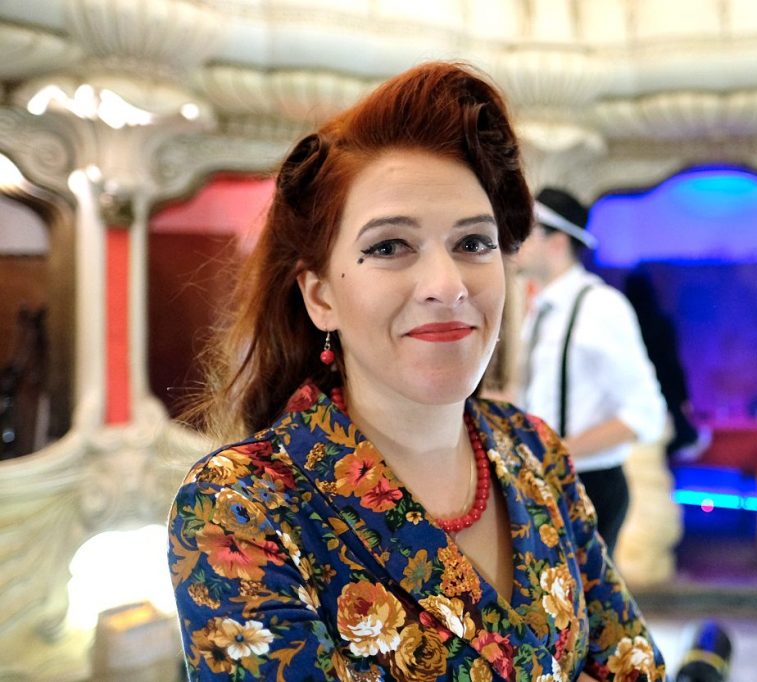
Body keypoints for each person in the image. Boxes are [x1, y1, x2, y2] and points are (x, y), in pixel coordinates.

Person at [166, 63, 666, 681]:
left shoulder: (534, 450)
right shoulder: (242, 504)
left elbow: (634, 663)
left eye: (473, 243)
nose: (447, 285)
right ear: (320, 297)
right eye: (389, 247)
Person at [515, 188, 667, 556]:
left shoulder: (600, 307)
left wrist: (559, 453)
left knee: (583, 595)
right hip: (547, 482)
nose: (514, 243)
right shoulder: (541, 308)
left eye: (526, 232)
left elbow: (646, 414)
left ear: (557, 241)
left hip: (589, 485)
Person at [623, 268, 699, 456]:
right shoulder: (661, 322)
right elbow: (673, 363)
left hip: (637, 390)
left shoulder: (626, 323)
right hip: (664, 388)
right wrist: (683, 396)